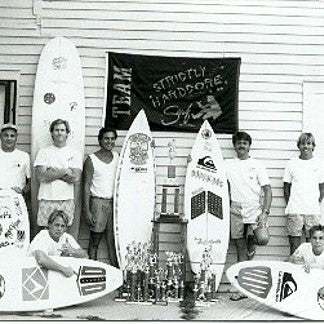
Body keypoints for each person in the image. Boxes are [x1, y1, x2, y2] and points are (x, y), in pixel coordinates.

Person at [226, 131, 272, 300]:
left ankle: (251, 243)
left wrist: (265, 213)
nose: (241, 145)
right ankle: (241, 288)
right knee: (240, 250)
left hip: (255, 208)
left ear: (249, 146)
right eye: (238, 143)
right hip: (235, 209)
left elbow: (267, 190)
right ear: (234, 146)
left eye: (245, 143)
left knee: (263, 239)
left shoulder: (257, 164)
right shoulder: (228, 164)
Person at [34, 119, 82, 230]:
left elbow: (75, 178)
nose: (59, 133)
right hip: (47, 198)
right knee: (45, 231)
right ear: (51, 133)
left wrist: (51, 172)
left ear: (67, 133)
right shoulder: (43, 152)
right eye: (56, 130)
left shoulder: (74, 153)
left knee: (63, 233)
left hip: (66, 199)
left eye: (62, 130)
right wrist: (64, 171)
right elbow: (41, 177)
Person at [283, 133, 324, 255]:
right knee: (294, 245)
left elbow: (322, 187)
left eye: (309, 143)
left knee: (312, 245)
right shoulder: (291, 163)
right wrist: (291, 204)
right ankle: (293, 271)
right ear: (299, 146)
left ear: (313, 146)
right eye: (303, 143)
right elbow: (286, 187)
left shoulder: (319, 163)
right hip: (295, 209)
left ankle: (310, 271)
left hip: (312, 210)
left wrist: (316, 202)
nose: (306, 146)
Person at [83, 127, 119, 265]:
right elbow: (86, 186)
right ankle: (92, 273)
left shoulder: (117, 157)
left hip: (114, 204)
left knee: (114, 241)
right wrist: (87, 210)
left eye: (112, 139)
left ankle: (116, 273)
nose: (109, 141)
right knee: (95, 240)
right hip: (97, 203)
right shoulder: (91, 159)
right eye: (106, 138)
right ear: (100, 140)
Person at [28, 209, 88, 277]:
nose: (59, 229)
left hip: (50, 275)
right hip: (31, 273)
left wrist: (73, 251)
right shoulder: (43, 236)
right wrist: (63, 269)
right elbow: (41, 259)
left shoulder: (66, 237)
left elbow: (85, 255)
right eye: (57, 225)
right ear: (49, 225)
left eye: (62, 226)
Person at [0, 123, 30, 196]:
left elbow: (31, 181)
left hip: (16, 198)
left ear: (16, 137)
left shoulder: (24, 156)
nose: (9, 138)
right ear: (0, 136)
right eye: (6, 135)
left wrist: (23, 192)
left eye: (12, 136)